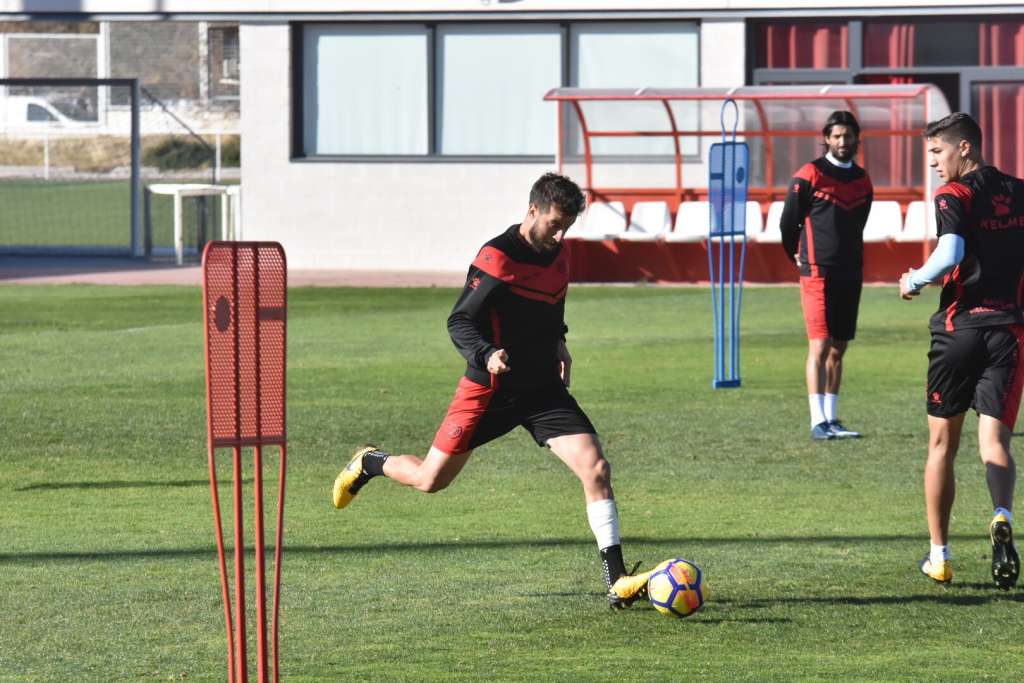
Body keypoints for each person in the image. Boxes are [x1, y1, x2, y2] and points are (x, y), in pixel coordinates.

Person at [331, 172, 650, 609]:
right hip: (491, 390)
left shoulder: (559, 253)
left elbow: (553, 303)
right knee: (429, 480)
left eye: (568, 227)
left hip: (542, 389)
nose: (560, 235)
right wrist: (486, 355)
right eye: (554, 224)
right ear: (532, 210)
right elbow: (459, 320)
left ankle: (616, 582)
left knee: (596, 469)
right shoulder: (496, 257)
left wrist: (560, 342)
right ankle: (370, 462)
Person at [899, 112, 1022, 589]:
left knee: (941, 447)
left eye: (937, 151)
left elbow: (949, 254)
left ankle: (940, 556)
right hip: (1008, 330)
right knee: (995, 444)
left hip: (958, 330)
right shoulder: (1018, 190)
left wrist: (913, 279)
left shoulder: (955, 194)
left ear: (965, 148)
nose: (932, 162)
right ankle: (1001, 513)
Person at [780, 110, 873, 440]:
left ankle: (833, 419)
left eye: (848, 136)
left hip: (851, 272)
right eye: (836, 136)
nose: (842, 142)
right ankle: (816, 422)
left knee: (839, 349)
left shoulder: (863, 180)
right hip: (817, 272)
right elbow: (787, 222)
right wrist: (797, 254)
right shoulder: (809, 174)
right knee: (818, 347)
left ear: (856, 140)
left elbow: (859, 223)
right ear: (827, 139)